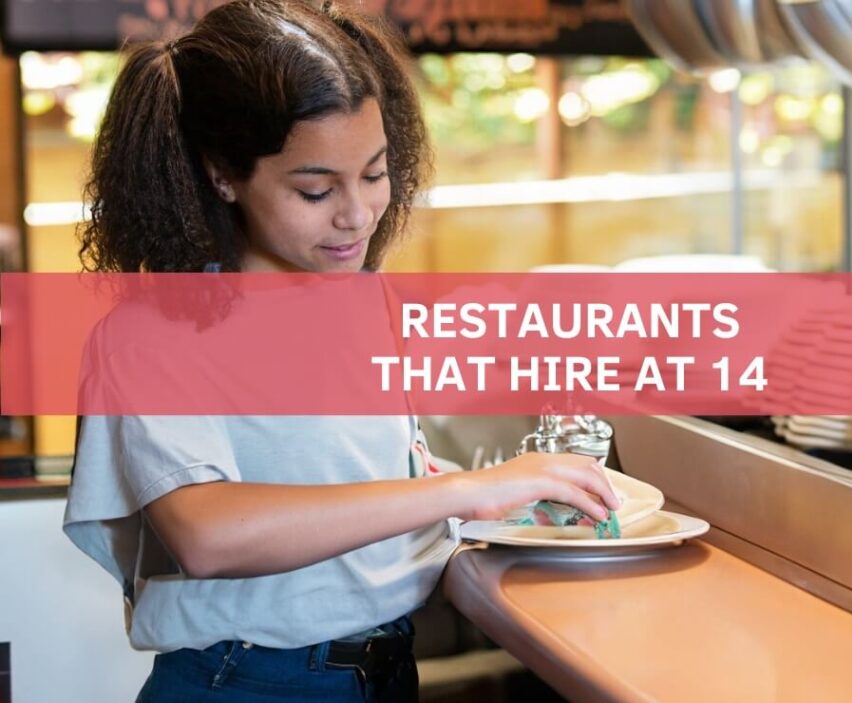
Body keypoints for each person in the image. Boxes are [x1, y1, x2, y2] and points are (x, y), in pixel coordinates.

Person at [62, 2, 619, 701]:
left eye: (376, 173)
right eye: (316, 188)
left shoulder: (363, 300)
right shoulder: (152, 334)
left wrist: (508, 498)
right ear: (221, 175)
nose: (356, 213)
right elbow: (207, 533)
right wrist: (462, 489)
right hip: (245, 683)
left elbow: (359, 476)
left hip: (385, 670)